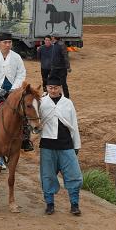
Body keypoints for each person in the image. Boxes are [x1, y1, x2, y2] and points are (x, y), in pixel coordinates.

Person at [39, 74, 82, 216]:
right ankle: (49, 204)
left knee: (74, 175)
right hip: (47, 145)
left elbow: (74, 124)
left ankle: (74, 204)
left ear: (60, 88)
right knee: (48, 176)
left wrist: (76, 145)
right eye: (50, 88)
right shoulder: (41, 102)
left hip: (66, 144)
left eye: (55, 88)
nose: (52, 90)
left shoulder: (68, 103)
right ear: (46, 88)